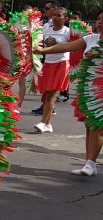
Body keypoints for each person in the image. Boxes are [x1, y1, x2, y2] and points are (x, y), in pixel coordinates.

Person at [35, 9, 103, 175]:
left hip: (101, 90)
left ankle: (91, 163)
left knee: (97, 123)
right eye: (99, 18)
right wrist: (44, 51)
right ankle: (89, 163)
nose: (100, 21)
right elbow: (66, 46)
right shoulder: (91, 38)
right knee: (89, 124)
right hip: (89, 87)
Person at [33, 6, 71, 134]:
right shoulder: (46, 29)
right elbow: (39, 43)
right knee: (46, 96)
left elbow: (75, 47)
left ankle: (43, 123)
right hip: (48, 64)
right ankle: (49, 124)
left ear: (65, 19)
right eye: (54, 14)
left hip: (61, 65)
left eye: (58, 15)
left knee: (50, 95)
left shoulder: (68, 32)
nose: (55, 17)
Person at [32, 1, 59, 116]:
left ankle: (49, 108)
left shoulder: (61, 26)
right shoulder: (46, 24)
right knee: (45, 84)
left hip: (57, 60)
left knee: (51, 86)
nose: (46, 10)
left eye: (48, 8)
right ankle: (45, 106)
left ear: (54, 8)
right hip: (45, 56)